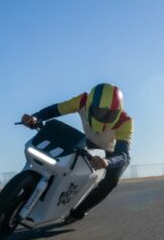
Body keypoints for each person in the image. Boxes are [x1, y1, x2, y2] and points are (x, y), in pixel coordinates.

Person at [20, 82, 133, 223]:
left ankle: (79, 212)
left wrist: (107, 162)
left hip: (112, 151)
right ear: (90, 104)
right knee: (60, 157)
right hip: (89, 140)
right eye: (99, 111)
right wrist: (35, 118)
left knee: (111, 182)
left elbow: (123, 156)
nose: (104, 117)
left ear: (119, 110)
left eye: (110, 114)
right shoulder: (82, 100)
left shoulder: (125, 121)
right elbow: (57, 109)